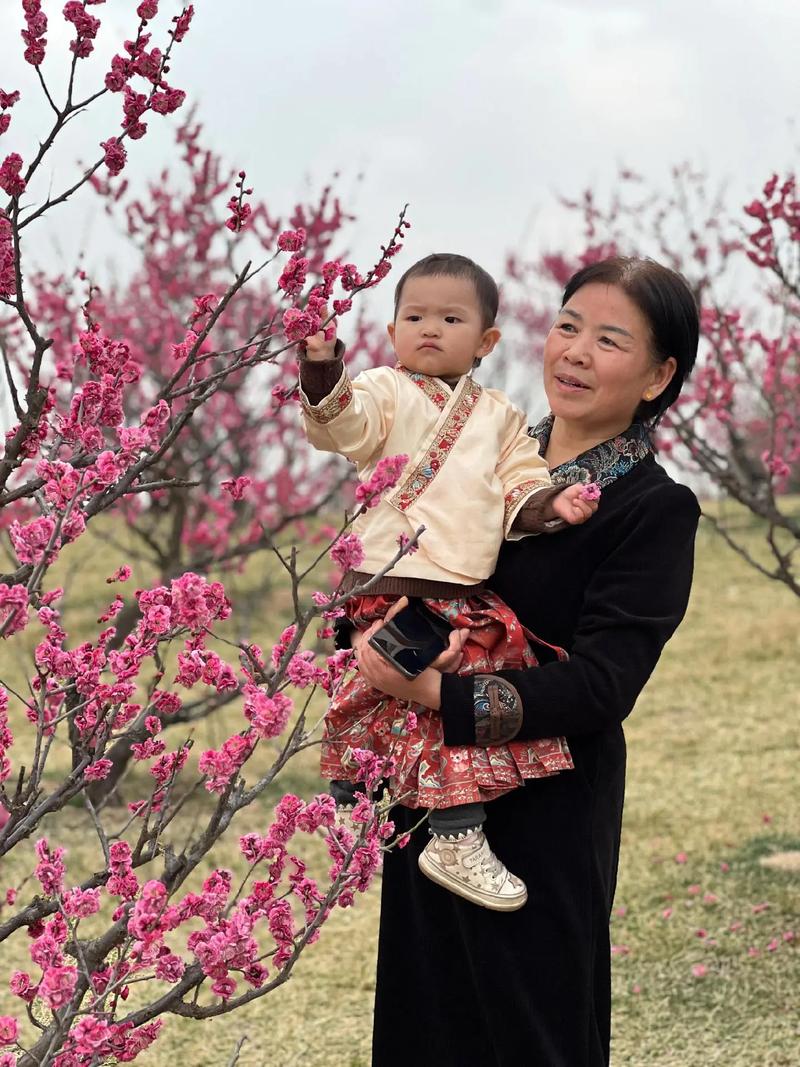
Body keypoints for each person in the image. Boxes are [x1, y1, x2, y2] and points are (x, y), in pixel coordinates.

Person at [348, 256, 702, 1066]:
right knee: (423, 1023)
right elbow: (405, 571)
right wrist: (376, 646)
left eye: (609, 340)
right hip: (429, 790)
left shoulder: (652, 508)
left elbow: (602, 684)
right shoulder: (476, 454)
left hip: (547, 811)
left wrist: (441, 692)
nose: (573, 352)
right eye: (568, 326)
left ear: (658, 375)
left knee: (531, 1032)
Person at [298, 253, 598, 912]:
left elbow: (521, 483)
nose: (429, 328)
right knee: (427, 705)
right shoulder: (383, 389)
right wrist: (323, 368)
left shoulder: (498, 416)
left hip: (460, 590)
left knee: (442, 698)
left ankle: (360, 789)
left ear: (487, 340)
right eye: (415, 316)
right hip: (391, 578)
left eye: (451, 317)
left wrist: (553, 505)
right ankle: (452, 834)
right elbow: (342, 423)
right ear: (392, 329)